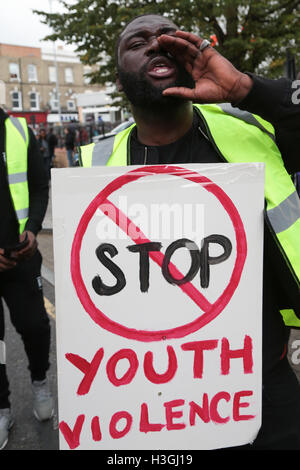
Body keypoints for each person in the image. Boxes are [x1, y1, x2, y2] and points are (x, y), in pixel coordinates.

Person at [78, 14, 300, 450]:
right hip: (154, 390)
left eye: (168, 38)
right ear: (120, 81)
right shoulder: (95, 167)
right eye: (136, 43)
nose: (156, 45)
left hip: (262, 378)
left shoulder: (256, 129)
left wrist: (244, 88)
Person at [0, 108, 54, 450]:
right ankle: (2, 407)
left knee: (35, 326)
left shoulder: (19, 130)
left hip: (22, 256)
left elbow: (38, 185)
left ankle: (39, 380)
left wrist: (33, 228)